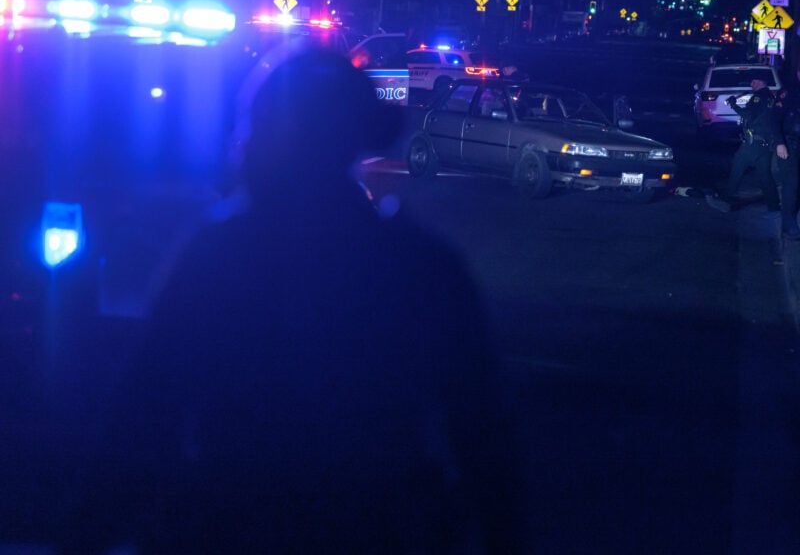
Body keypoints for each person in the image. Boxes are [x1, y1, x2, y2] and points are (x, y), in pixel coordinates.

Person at [63, 48, 525, 553]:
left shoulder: (217, 254)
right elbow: (485, 440)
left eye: (253, 127)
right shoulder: (423, 265)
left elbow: (141, 416)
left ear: (283, 138)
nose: (239, 145)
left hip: (230, 528)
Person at [706, 78, 784, 220]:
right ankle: (773, 206)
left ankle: (726, 198)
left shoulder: (758, 97)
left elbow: (748, 115)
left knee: (737, 165)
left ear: (762, 83)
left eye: (754, 82)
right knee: (765, 175)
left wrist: (733, 105)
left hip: (753, 144)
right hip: (764, 143)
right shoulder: (770, 98)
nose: (751, 85)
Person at [774, 67, 800, 239]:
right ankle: (788, 225)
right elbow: (774, 119)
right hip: (790, 143)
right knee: (791, 184)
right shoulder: (788, 92)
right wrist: (779, 143)